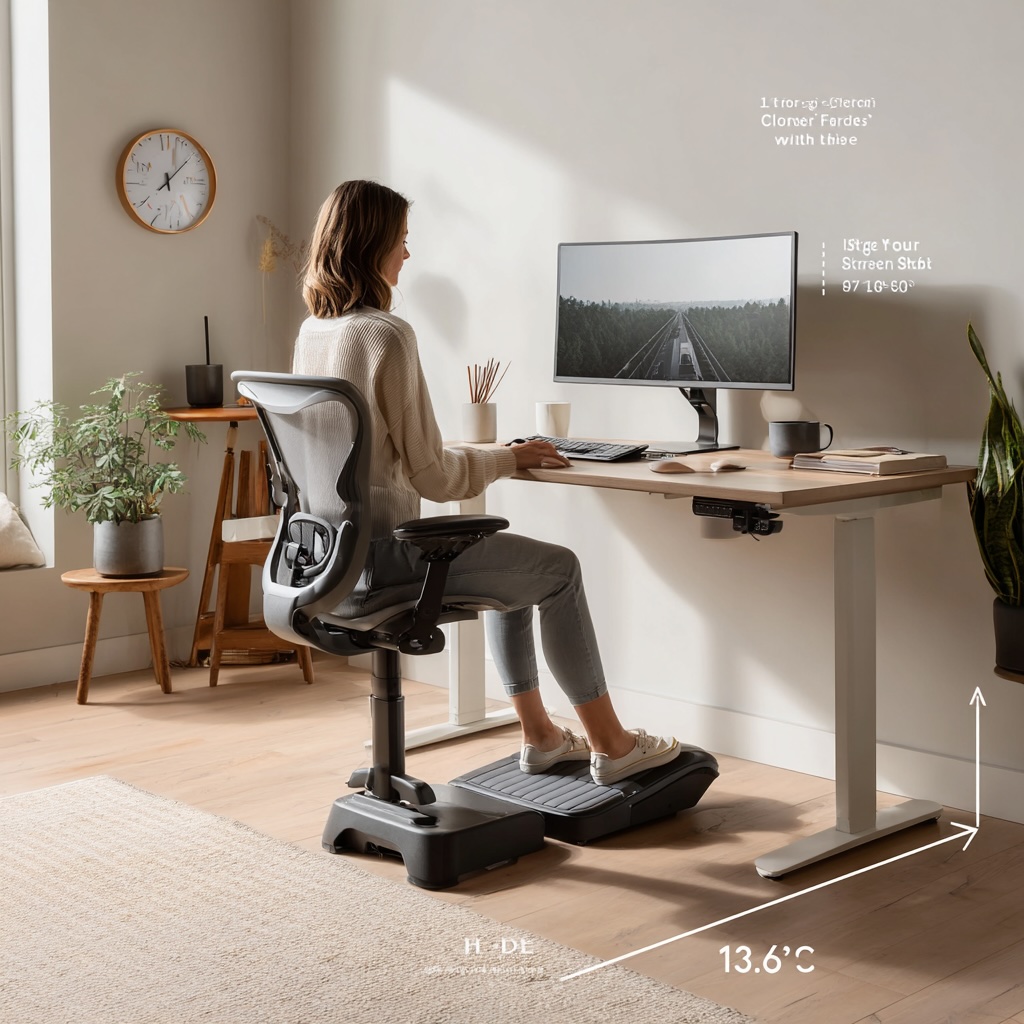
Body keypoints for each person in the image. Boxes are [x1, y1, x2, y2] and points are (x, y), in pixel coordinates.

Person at [293, 179, 682, 786]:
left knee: (512, 568)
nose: (407, 255)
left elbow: (381, 458)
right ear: (372, 246)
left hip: (328, 563)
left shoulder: (314, 333)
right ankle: (613, 744)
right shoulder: (386, 334)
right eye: (401, 240)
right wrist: (511, 458)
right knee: (560, 570)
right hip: (391, 561)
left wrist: (502, 455)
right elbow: (435, 477)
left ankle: (543, 736)